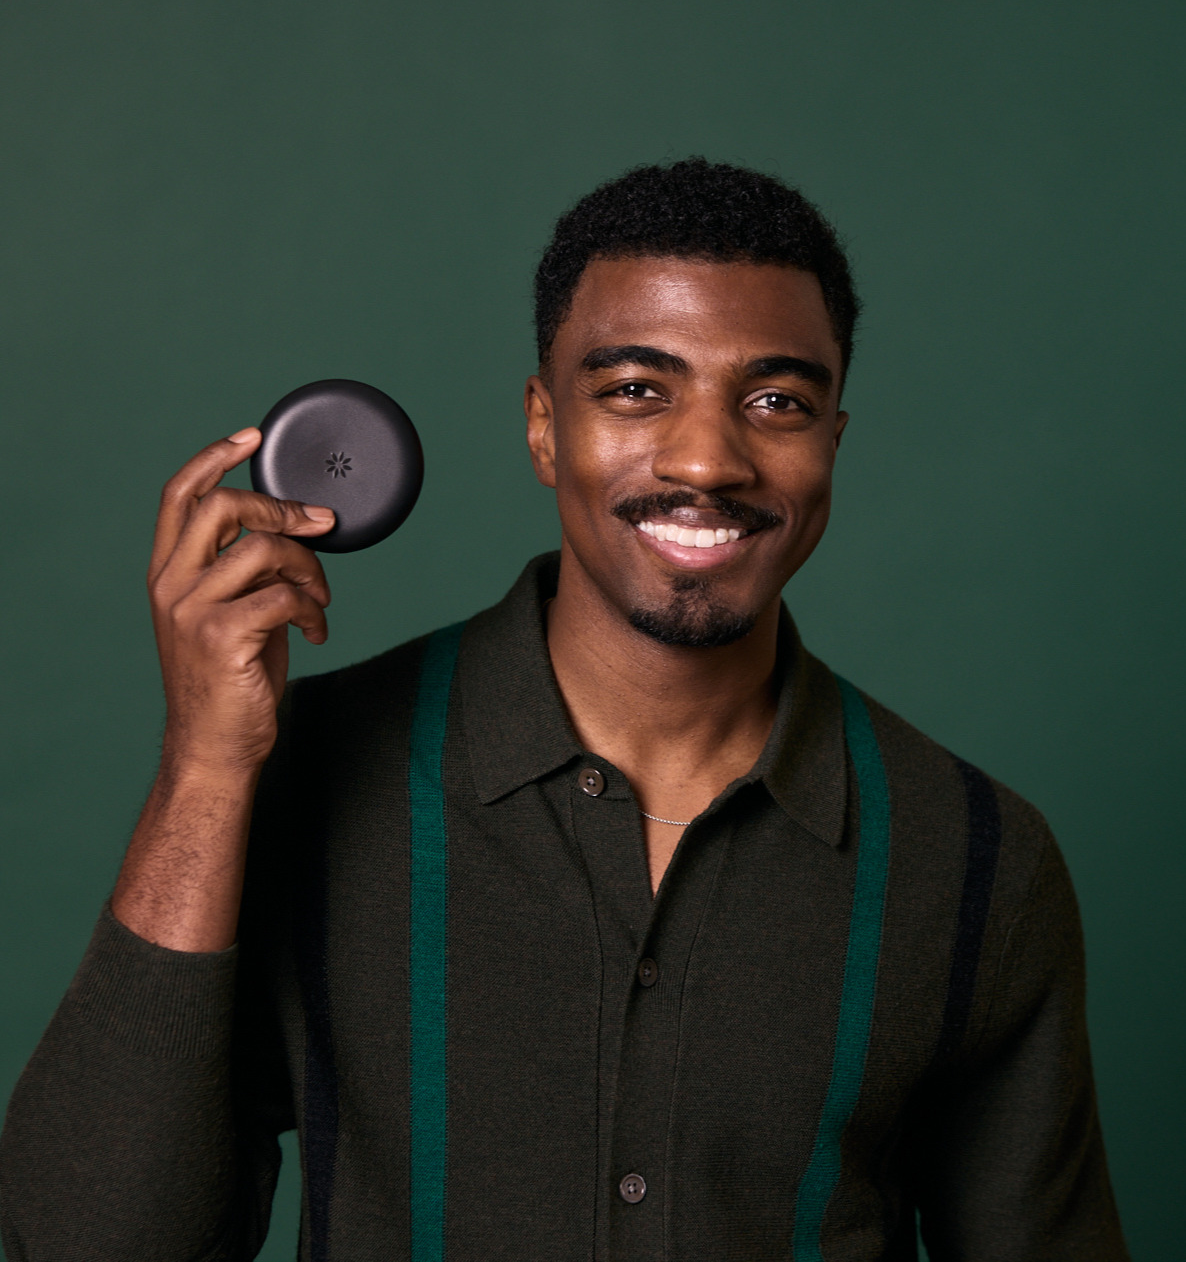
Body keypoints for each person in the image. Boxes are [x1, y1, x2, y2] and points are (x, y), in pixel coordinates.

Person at [0, 158, 1128, 1261]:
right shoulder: (293, 783)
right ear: (544, 428)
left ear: (831, 444)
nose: (705, 458)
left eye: (775, 401)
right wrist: (205, 768)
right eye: (636, 390)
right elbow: (82, 1241)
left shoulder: (975, 858)